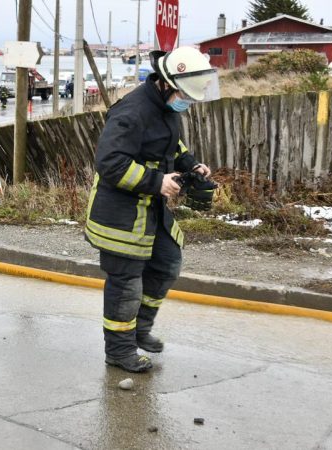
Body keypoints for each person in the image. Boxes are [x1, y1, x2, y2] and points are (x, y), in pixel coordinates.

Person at [84, 47, 220, 373]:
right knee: (126, 285)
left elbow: (172, 144)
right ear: (166, 84)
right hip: (119, 216)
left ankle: (139, 330)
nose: (187, 102)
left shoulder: (164, 108)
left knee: (167, 264)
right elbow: (110, 163)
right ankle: (119, 351)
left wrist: (191, 165)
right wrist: (157, 182)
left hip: (149, 211)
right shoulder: (131, 112)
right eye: (184, 95)